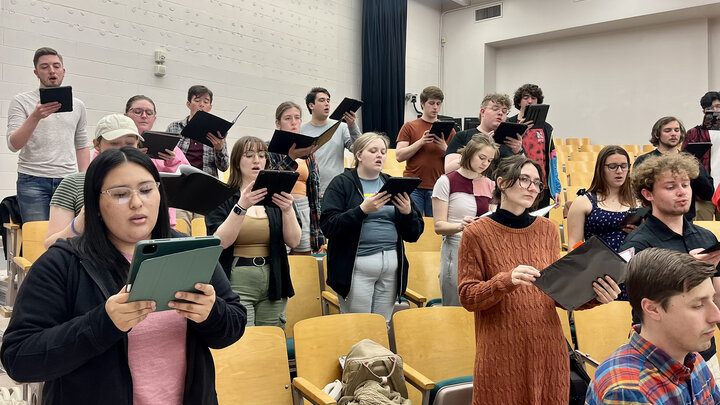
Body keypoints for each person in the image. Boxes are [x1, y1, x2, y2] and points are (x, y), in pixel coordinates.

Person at [0, 147, 246, 404]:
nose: (137, 202)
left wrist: (211, 313)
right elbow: (19, 359)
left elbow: (233, 327)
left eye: (146, 190)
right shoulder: (62, 263)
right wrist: (103, 324)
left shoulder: (190, 251)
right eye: (120, 194)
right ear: (94, 205)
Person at [457, 155, 620, 404]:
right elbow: (468, 296)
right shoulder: (476, 233)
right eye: (524, 180)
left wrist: (595, 296)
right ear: (501, 183)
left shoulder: (547, 230)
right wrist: (506, 280)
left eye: (537, 183)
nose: (533, 188)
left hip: (547, 346)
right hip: (501, 348)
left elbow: (557, 294)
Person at [620, 152, 720, 376]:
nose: (682, 191)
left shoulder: (706, 238)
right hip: (658, 358)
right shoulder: (637, 243)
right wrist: (684, 270)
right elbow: (641, 301)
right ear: (648, 194)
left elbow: (718, 294)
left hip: (704, 356)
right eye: (670, 186)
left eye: (685, 184)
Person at [586, 248, 720, 404]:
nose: (716, 316)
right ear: (652, 309)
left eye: (712, 300)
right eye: (698, 305)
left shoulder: (693, 359)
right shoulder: (628, 391)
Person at [320, 132, 424, 322]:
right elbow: (329, 226)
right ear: (358, 155)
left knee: (383, 325)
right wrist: (361, 211)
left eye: (383, 152)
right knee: (359, 325)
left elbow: (414, 233)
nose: (380, 156)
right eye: (373, 151)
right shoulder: (342, 184)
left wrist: (408, 213)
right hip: (357, 265)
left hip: (391, 265)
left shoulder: (392, 183)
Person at [206, 136, 301, 328]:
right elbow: (220, 242)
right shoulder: (222, 196)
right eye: (249, 155)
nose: (256, 160)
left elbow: (294, 241)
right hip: (236, 278)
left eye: (261, 155)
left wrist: (288, 210)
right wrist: (241, 206)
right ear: (237, 162)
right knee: (245, 342)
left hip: (274, 278)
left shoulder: (277, 196)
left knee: (272, 341)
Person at [6, 47, 90, 222]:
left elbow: (81, 146)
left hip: (69, 179)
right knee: (37, 236)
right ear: (36, 72)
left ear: (63, 71)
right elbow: (13, 145)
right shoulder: (21, 101)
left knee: (70, 236)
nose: (51, 71)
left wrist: (85, 179)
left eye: (56, 66)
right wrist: (35, 117)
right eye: (44, 67)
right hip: (32, 180)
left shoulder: (78, 105)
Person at [432, 133, 497, 306]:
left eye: (489, 161)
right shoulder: (446, 181)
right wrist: (460, 225)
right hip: (456, 249)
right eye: (482, 157)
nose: (485, 163)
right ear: (469, 153)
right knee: (455, 306)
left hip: (484, 251)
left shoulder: (490, 184)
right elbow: (438, 226)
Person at [166, 85, 230, 232]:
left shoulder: (217, 132)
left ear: (210, 107)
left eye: (206, 101)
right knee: (180, 232)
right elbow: (164, 159)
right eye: (197, 100)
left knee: (203, 233)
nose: (202, 104)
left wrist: (219, 148)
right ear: (188, 104)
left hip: (205, 189)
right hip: (180, 188)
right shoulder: (175, 127)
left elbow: (224, 167)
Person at [268, 101, 325, 254]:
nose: (293, 122)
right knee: (282, 256)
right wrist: (291, 158)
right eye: (287, 118)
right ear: (278, 123)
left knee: (304, 256)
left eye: (297, 118)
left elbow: (316, 195)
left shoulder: (308, 152)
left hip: (304, 207)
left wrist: (319, 232)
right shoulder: (269, 149)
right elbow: (270, 181)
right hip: (280, 208)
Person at [634, 116, 714, 221]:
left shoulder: (690, 160)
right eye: (667, 130)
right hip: (654, 221)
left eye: (677, 130)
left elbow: (707, 193)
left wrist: (695, 169)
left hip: (685, 221)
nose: (673, 134)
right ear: (657, 134)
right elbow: (639, 195)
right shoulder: (644, 160)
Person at [396, 86, 456, 216]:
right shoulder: (409, 127)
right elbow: (399, 156)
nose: (435, 107)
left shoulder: (450, 131)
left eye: (438, 104)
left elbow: (457, 161)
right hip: (413, 185)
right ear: (422, 104)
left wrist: (444, 147)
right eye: (431, 103)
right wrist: (421, 142)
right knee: (411, 223)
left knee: (435, 228)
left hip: (438, 186)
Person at [299, 87, 362, 197]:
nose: (327, 104)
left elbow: (359, 149)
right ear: (311, 105)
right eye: (322, 100)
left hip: (337, 190)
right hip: (311, 191)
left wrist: (352, 126)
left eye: (328, 100)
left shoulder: (341, 127)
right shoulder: (301, 130)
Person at [507, 83, 561, 209]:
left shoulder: (546, 128)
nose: (530, 101)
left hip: (542, 187)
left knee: (541, 225)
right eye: (525, 97)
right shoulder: (510, 124)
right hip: (518, 184)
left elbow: (552, 160)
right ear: (519, 101)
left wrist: (556, 189)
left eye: (534, 98)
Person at [444, 93, 523, 173]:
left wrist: (519, 151)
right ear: (482, 112)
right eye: (495, 109)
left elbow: (526, 169)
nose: (500, 113)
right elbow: (448, 169)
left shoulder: (510, 140)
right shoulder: (463, 136)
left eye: (504, 111)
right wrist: (477, 149)